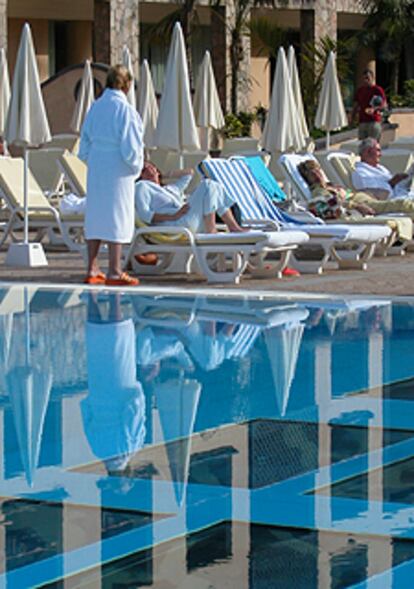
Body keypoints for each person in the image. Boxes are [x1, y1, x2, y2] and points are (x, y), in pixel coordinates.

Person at [79, 64, 144, 286]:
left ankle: (92, 267)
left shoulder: (95, 108)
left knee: (96, 214)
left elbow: (84, 141)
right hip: (118, 167)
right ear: (126, 85)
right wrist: (136, 167)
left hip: (97, 165)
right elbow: (131, 147)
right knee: (118, 214)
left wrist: (92, 159)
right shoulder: (126, 111)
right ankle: (115, 270)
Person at [134, 161, 246, 234]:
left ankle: (232, 227)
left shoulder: (170, 189)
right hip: (176, 223)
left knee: (215, 186)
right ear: (140, 175)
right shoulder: (142, 186)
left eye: (151, 166)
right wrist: (173, 216)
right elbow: (145, 214)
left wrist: (164, 175)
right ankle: (214, 229)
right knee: (207, 184)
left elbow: (189, 173)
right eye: (144, 169)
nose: (150, 169)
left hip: (190, 219)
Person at [298, 158, 414, 226]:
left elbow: (348, 193)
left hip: (363, 198)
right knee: (401, 204)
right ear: (308, 178)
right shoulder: (319, 191)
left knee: (400, 202)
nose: (317, 174)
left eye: (318, 170)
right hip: (359, 204)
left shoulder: (331, 185)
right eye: (311, 173)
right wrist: (357, 206)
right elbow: (325, 204)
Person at [351, 69, 387, 141]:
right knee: (362, 145)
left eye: (367, 78)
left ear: (372, 78)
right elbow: (356, 105)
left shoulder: (377, 89)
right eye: (364, 78)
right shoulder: (360, 91)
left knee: (373, 144)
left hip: (374, 121)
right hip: (362, 122)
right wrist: (352, 117)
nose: (365, 80)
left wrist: (374, 109)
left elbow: (384, 105)